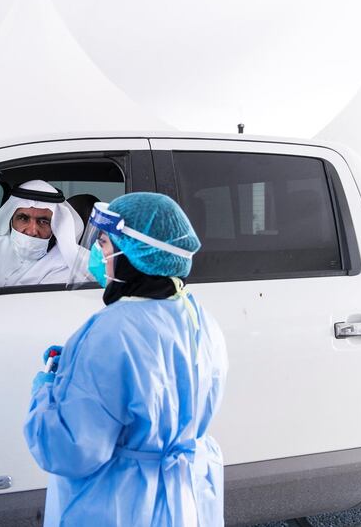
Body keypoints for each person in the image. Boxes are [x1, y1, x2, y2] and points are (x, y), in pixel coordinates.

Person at [24, 192, 228, 526]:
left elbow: (70, 451)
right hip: (182, 503)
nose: (98, 256)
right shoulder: (198, 318)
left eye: (103, 244)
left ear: (134, 254)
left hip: (120, 505)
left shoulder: (109, 332)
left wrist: (46, 391)